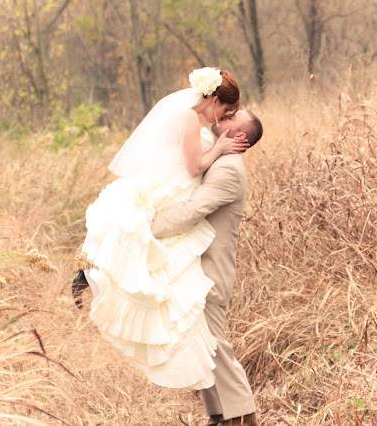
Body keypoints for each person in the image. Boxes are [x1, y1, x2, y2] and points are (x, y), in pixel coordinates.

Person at [74, 68, 249, 390]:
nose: (220, 118)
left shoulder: (188, 116)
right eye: (224, 111)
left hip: (175, 185)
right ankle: (97, 274)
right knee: (157, 260)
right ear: (213, 99)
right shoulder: (189, 118)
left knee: (165, 269)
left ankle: (96, 272)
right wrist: (219, 149)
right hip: (178, 186)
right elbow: (195, 166)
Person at [151, 109, 263, 425]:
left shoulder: (229, 169)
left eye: (230, 119)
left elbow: (194, 210)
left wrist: (150, 227)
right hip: (199, 268)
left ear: (240, 136)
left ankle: (244, 417)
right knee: (204, 343)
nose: (221, 118)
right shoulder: (219, 158)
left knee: (214, 345)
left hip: (212, 271)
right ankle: (221, 416)